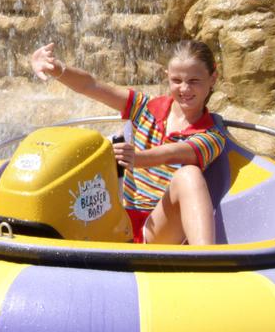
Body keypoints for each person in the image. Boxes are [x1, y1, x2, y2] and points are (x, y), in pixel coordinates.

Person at [30, 40, 226, 246]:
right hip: (118, 224)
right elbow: (92, 85)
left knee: (189, 175)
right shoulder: (145, 108)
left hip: (158, 229)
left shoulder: (212, 134)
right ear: (167, 75)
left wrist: (137, 158)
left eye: (194, 80)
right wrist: (56, 69)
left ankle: (205, 258)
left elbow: (174, 153)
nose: (184, 88)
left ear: (213, 78)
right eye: (177, 80)